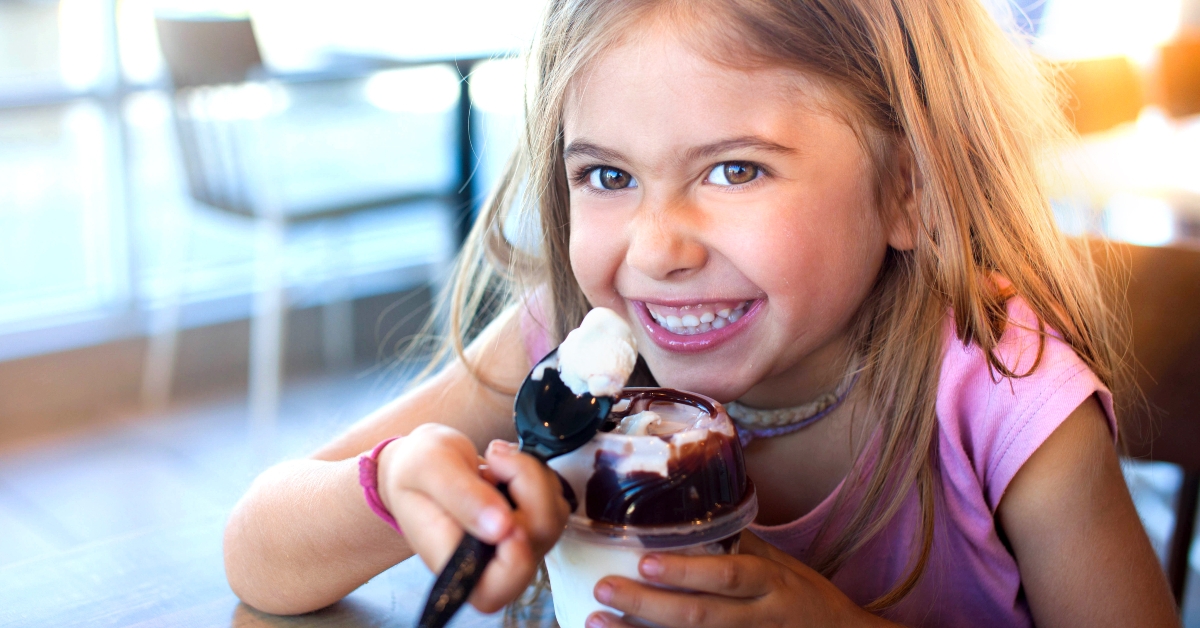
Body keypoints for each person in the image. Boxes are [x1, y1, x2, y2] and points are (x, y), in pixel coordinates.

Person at [223, 1, 1179, 626]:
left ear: (909, 190)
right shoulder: (557, 345)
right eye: (607, 174)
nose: (655, 251)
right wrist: (396, 487)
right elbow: (257, 550)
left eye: (735, 169)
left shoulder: (1000, 389)